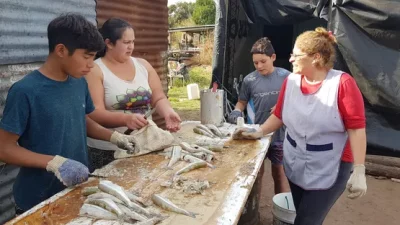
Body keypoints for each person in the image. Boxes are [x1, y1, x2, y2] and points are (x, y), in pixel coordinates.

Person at [0, 14, 139, 214]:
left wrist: (114, 137)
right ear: (61, 50)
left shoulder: (78, 82)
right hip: (38, 199)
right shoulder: (25, 91)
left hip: (76, 190)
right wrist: (54, 163)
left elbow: (81, 119)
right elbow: (4, 149)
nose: (92, 64)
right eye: (87, 56)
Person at [235, 27, 367, 225]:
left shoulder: (342, 84)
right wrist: (259, 131)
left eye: (295, 55)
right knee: (303, 214)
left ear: (315, 57)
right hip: (296, 163)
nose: (290, 59)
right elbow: (279, 114)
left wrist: (359, 169)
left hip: (330, 165)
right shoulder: (291, 82)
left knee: (307, 220)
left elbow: (356, 129)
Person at [85, 18, 181, 170]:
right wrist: (125, 119)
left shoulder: (143, 65)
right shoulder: (95, 70)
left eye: (133, 42)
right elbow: (95, 112)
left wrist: (168, 112)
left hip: (145, 143)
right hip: (109, 149)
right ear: (109, 43)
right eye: (126, 42)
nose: (131, 47)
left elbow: (158, 97)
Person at [227, 37, 290, 194]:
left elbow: (298, 99)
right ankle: (252, 209)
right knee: (255, 173)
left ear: (273, 57)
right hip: (255, 134)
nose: (259, 66)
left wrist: (283, 106)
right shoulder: (250, 80)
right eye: (256, 63)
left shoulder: (287, 77)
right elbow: (241, 102)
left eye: (263, 61)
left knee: (279, 173)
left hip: (280, 135)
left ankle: (279, 208)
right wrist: (236, 111)